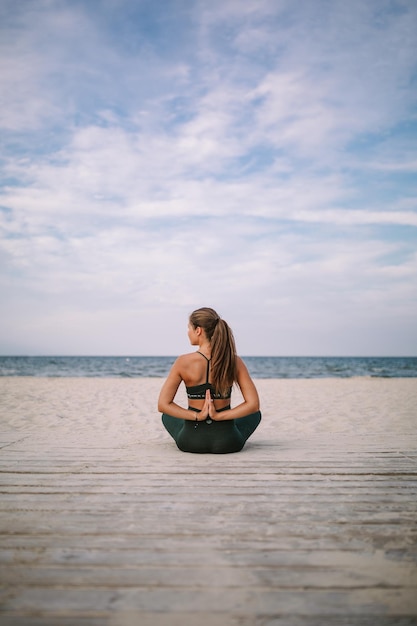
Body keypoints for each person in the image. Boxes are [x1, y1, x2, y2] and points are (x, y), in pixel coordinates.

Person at [158, 307, 261, 453]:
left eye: (189, 328)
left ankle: (194, 425)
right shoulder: (234, 361)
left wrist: (197, 416)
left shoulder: (182, 362)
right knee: (255, 414)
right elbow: (253, 405)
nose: (188, 332)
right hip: (228, 442)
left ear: (198, 330)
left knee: (167, 415)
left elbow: (163, 405)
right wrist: (219, 416)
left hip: (190, 441)